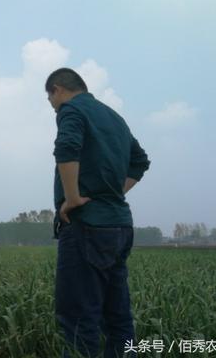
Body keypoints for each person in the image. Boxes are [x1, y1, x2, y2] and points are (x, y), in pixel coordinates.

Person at [46, 68, 150, 358]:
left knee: (79, 320)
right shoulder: (114, 118)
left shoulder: (71, 109)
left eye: (50, 99)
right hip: (119, 226)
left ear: (57, 90)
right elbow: (140, 162)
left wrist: (72, 198)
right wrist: (113, 192)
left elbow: (67, 147)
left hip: (87, 226)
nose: (52, 105)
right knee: (118, 317)